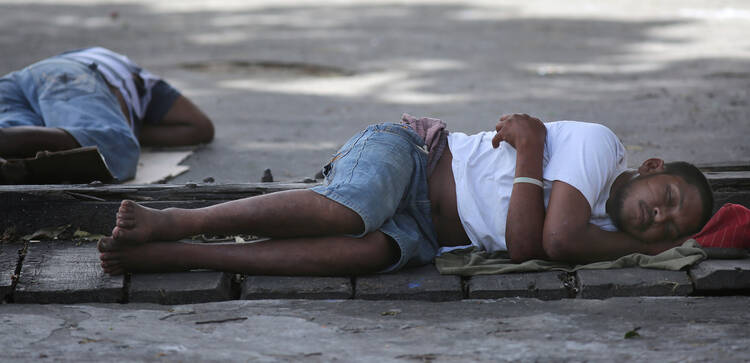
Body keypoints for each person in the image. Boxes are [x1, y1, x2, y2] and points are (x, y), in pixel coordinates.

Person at [97, 113, 713, 276]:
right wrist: (529, 148)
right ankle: (174, 221)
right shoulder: (603, 149)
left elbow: (544, 241)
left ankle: (179, 257)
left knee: (368, 254)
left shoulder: (603, 237)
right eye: (666, 196)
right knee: (352, 210)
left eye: (666, 226)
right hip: (414, 156)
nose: (658, 216)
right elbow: (541, 241)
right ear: (650, 166)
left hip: (427, 233)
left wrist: (530, 150)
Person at [0, 47, 214, 183]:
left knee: (18, 155)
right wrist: (124, 133)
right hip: (66, 75)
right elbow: (201, 127)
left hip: (12, 85)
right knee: (115, 144)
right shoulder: (142, 81)